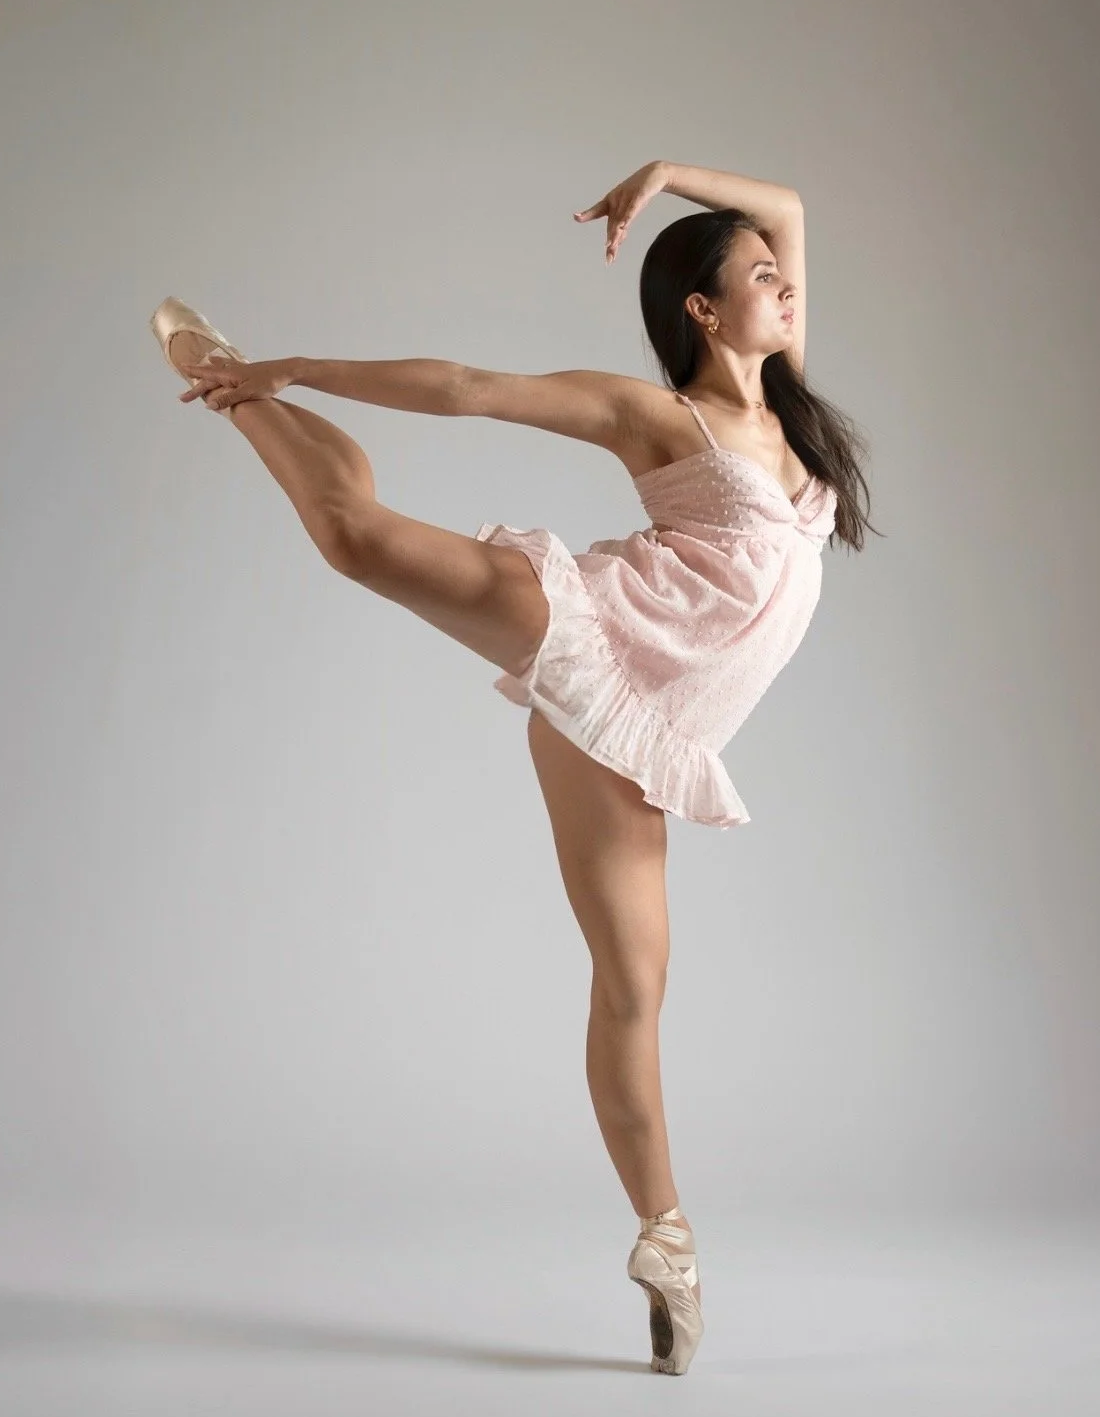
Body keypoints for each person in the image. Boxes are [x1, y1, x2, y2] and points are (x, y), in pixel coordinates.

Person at [149, 158, 875, 1375]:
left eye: (780, 276)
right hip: (597, 632)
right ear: (704, 310)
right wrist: (295, 367)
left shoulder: (788, 401)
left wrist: (666, 175)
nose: (786, 285)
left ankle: (666, 1240)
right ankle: (236, 385)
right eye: (761, 278)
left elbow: (789, 208)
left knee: (634, 988)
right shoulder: (664, 418)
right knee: (353, 538)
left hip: (646, 733)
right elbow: (472, 389)